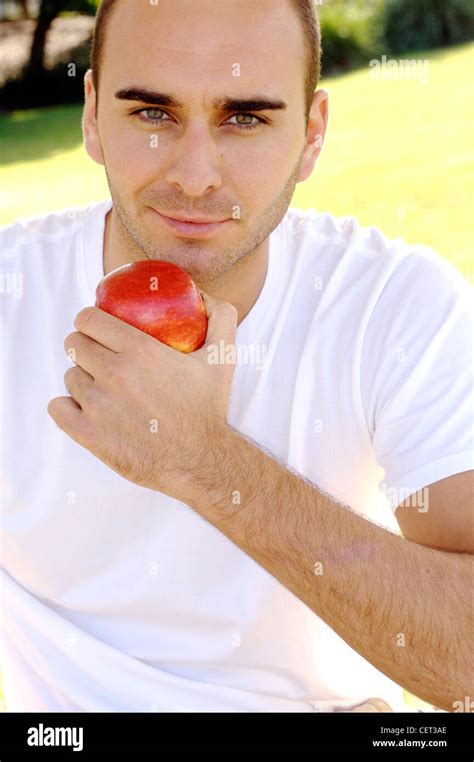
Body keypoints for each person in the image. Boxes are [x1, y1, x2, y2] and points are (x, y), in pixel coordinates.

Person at [0, 0, 472, 714]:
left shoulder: (397, 307)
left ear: (312, 136)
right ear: (93, 114)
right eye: (152, 114)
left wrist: (207, 462)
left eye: (245, 118)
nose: (194, 177)